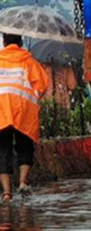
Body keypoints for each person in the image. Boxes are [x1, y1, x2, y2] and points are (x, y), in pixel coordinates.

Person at [0, 34, 48, 202]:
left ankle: (6, 193)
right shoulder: (29, 61)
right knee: (24, 146)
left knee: (2, 150)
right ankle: (22, 183)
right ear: (20, 43)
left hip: (1, 113)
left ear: (4, 42)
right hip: (23, 112)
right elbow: (42, 84)